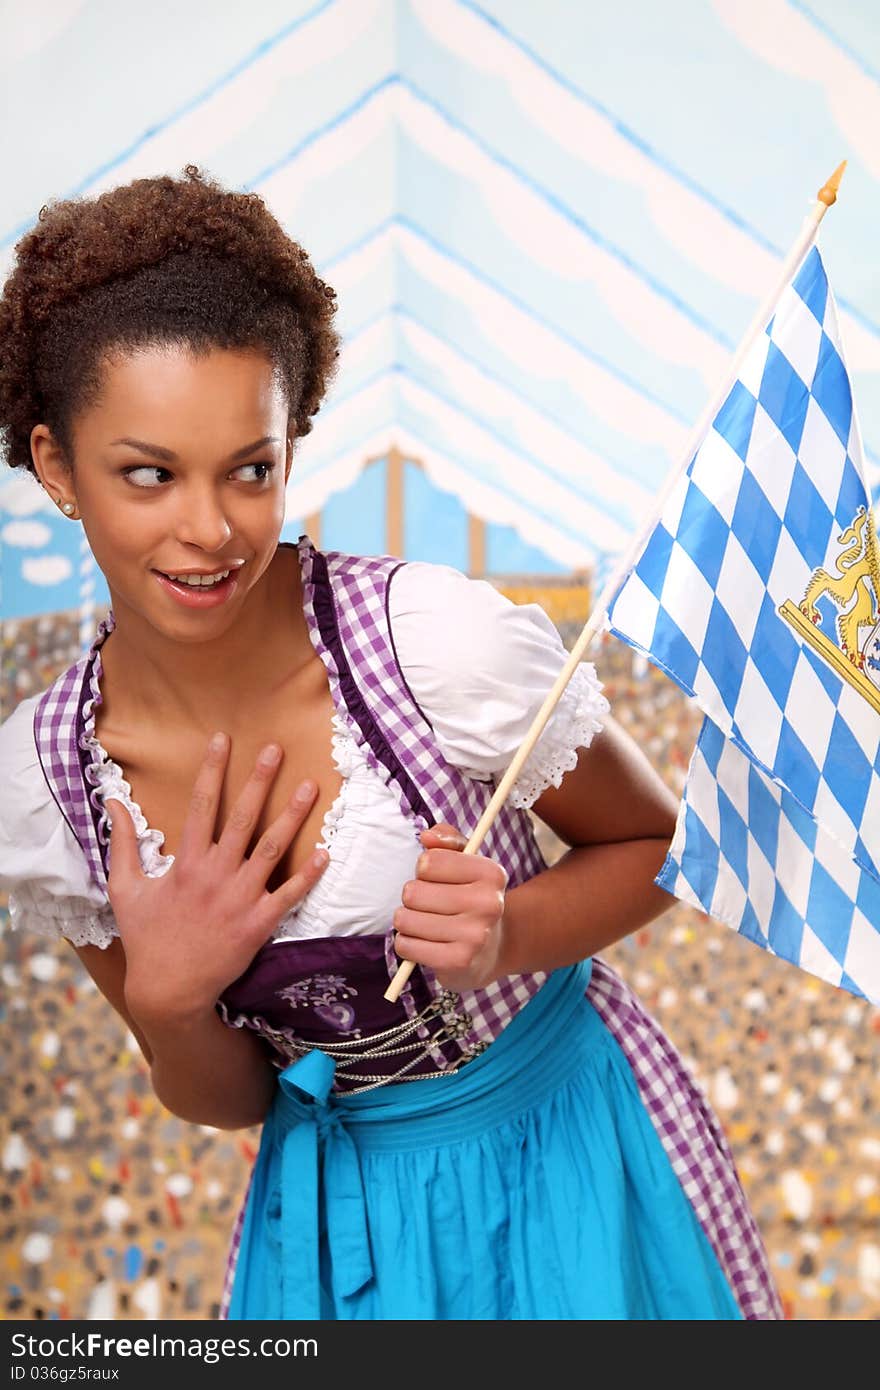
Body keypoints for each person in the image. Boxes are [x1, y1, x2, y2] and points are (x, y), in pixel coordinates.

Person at [0, 166, 781, 1321]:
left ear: (294, 436)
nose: (211, 529)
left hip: (569, 1158)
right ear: (57, 464)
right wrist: (170, 1003)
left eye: (250, 469)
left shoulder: (434, 647)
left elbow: (664, 841)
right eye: (148, 474)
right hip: (334, 1220)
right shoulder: (46, 782)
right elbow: (236, 1101)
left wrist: (511, 929)